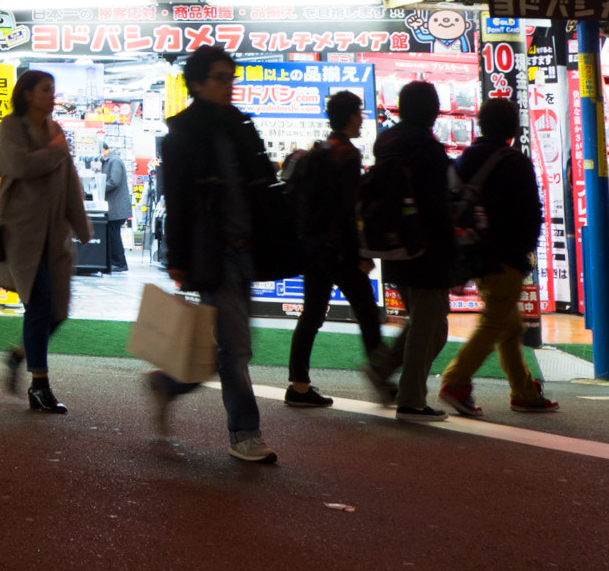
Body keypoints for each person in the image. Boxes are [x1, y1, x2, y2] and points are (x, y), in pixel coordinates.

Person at [149, 45, 279, 464]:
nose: (229, 85)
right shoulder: (183, 134)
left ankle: (170, 384)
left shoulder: (240, 125)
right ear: (199, 83)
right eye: (221, 78)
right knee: (235, 348)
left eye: (231, 77)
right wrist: (178, 257)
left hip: (245, 250)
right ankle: (245, 432)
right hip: (213, 252)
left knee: (230, 345)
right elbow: (179, 202)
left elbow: (262, 185)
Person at [438, 96, 558, 415]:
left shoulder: (464, 159)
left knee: (509, 324)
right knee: (495, 321)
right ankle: (456, 380)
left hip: (475, 255)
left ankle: (523, 392)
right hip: (506, 256)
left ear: (481, 123)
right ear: (513, 128)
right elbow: (532, 213)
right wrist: (526, 252)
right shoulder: (515, 161)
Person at [285, 90, 394, 407]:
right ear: (349, 116)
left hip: (313, 247)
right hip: (336, 250)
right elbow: (347, 212)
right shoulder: (346, 154)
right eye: (359, 112)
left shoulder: (319, 150)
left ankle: (299, 386)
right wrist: (359, 254)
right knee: (367, 312)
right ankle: (382, 378)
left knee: (312, 314)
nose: (362, 118)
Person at [0, 68, 92, 413]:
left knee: (59, 310)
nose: (52, 96)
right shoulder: (11, 127)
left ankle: (20, 353)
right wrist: (54, 150)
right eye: (46, 89)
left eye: (53, 90)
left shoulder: (56, 131)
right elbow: (18, 165)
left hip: (54, 234)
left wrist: (82, 226)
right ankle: (40, 386)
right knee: (41, 303)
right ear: (28, 95)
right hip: (23, 233)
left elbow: (70, 183)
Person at [374, 79, 458, 421]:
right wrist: (452, 252)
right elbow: (438, 209)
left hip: (396, 247)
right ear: (432, 110)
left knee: (429, 325)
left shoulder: (386, 142)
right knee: (428, 327)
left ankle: (381, 369)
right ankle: (411, 400)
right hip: (427, 250)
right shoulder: (428, 149)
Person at [100, 139, 131, 274]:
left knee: (114, 234)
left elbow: (114, 181)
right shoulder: (109, 161)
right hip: (113, 206)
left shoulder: (114, 161)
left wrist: (99, 187)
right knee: (112, 234)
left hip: (116, 207)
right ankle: (116, 261)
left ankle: (119, 262)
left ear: (104, 149)